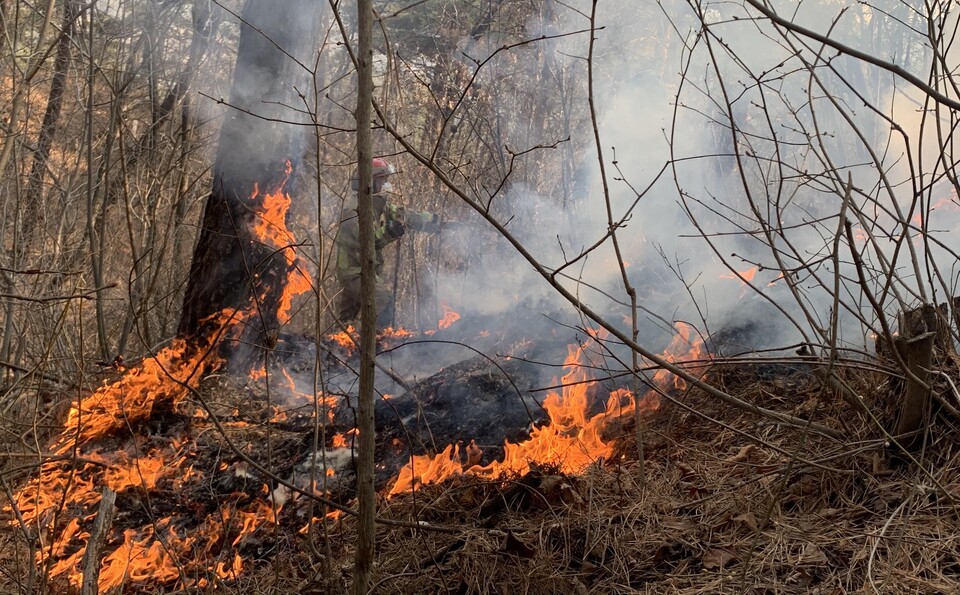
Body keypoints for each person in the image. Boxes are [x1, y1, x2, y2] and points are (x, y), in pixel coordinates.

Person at [335, 158, 442, 327]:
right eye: (382, 180)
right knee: (384, 301)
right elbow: (367, 241)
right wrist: (390, 233)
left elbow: (406, 215)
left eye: (386, 180)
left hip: (365, 270)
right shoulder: (353, 210)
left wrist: (437, 223)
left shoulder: (379, 205)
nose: (386, 184)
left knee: (344, 323)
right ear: (370, 181)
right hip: (354, 272)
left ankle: (336, 350)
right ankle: (378, 347)